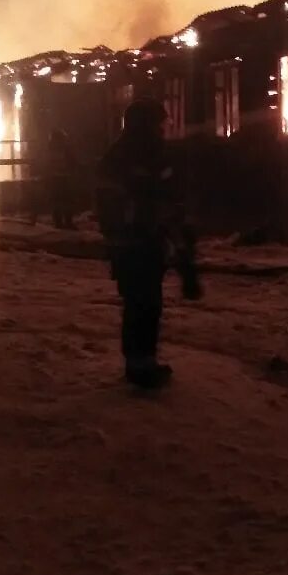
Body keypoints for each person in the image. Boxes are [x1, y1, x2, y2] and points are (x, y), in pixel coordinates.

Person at [97, 98, 201, 389]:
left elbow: (168, 198)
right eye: (158, 124)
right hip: (136, 243)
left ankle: (143, 362)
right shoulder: (132, 159)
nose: (162, 130)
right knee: (141, 304)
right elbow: (119, 204)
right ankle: (139, 365)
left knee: (145, 303)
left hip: (140, 242)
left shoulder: (135, 156)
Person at [45, 128, 76, 229]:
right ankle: (64, 222)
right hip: (60, 179)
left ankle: (62, 222)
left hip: (58, 179)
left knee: (60, 201)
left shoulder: (51, 151)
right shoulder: (64, 150)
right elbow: (72, 163)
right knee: (63, 201)